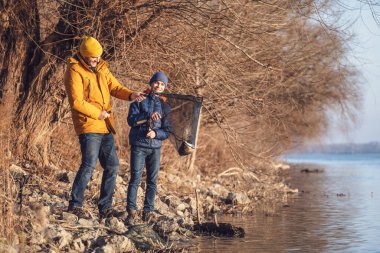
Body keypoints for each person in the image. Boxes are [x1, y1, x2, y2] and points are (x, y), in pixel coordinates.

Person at [64, 36, 145, 219]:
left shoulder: (102, 67)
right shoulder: (74, 71)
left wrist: (131, 94)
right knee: (89, 164)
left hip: (105, 125)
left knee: (112, 165)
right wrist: (96, 113)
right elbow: (77, 101)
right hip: (89, 124)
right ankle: (75, 205)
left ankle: (105, 208)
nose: (97, 60)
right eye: (93, 57)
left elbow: (115, 87)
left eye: (98, 56)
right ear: (84, 55)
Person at [125, 71, 172, 225]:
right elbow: (131, 121)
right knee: (135, 179)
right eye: (157, 82)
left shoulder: (165, 107)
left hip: (155, 148)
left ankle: (148, 211)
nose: (159, 86)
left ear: (165, 87)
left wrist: (156, 133)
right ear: (151, 83)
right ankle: (131, 211)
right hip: (139, 145)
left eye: (162, 84)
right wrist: (147, 117)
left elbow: (167, 131)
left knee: (152, 181)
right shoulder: (139, 100)